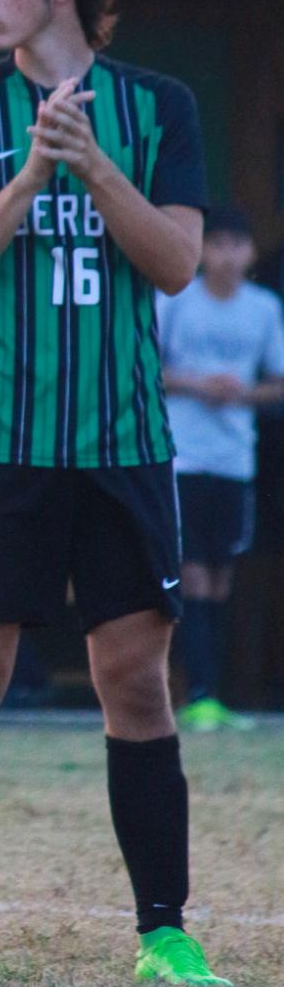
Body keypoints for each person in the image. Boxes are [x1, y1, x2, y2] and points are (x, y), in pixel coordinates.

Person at [0, 0, 230, 987]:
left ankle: (161, 932)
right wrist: (30, 176)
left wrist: (89, 166)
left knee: (135, 681)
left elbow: (175, 262)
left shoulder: (157, 106)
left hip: (122, 445)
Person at [158, 207, 284, 731]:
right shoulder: (175, 300)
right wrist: (197, 384)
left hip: (235, 461)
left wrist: (242, 393)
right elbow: (146, 369)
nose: (227, 256)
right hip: (184, 455)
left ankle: (217, 694)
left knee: (221, 576)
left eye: (237, 244)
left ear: (251, 252)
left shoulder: (263, 308)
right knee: (189, 571)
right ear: (201, 249)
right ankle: (199, 691)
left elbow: (277, 382)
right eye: (217, 243)